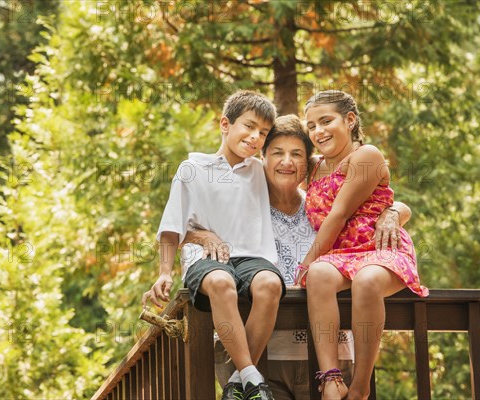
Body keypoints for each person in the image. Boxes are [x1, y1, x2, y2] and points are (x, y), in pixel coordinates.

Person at [187, 115, 410, 399]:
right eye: (277, 153)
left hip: (329, 361)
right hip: (260, 359)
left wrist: (394, 212)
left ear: (309, 164)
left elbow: (375, 200)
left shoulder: (322, 209)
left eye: (297, 155)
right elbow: (184, 227)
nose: (287, 162)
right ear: (261, 159)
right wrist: (200, 237)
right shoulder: (241, 207)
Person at [142, 90, 285, 400]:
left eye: (263, 133)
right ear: (225, 124)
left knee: (270, 285)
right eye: (248, 126)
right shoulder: (193, 168)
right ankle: (254, 381)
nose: (255, 137)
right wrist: (165, 273)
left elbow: (303, 167)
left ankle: (238, 381)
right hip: (205, 260)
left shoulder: (262, 171)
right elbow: (172, 227)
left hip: (253, 258)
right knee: (221, 282)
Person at [297, 90, 429, 400]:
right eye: (312, 125)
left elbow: (339, 215)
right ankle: (330, 378)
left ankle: (359, 386)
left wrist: (304, 262)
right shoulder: (314, 167)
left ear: (350, 120)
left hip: (380, 251)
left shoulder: (366, 155)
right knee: (318, 276)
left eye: (326, 121)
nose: (318, 131)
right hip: (340, 256)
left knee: (367, 281)